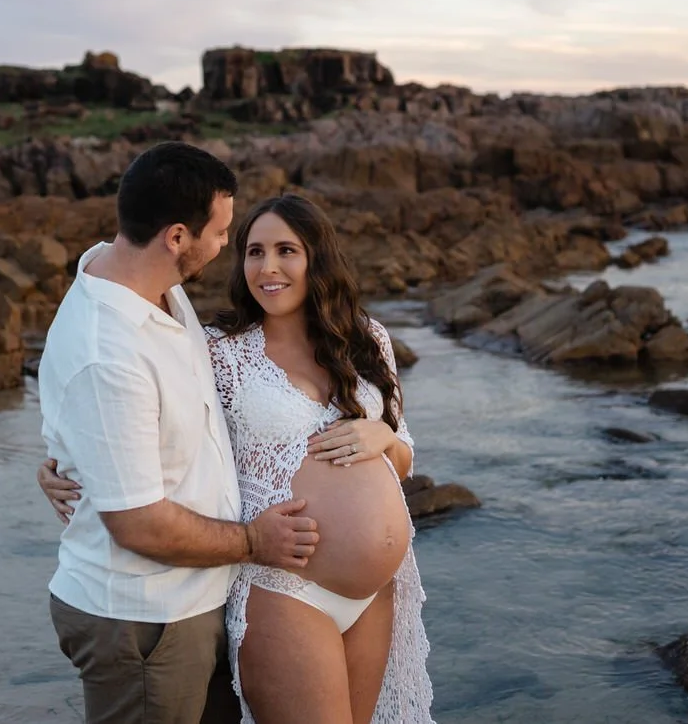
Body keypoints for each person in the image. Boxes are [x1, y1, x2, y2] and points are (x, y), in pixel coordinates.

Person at [44, 193, 434, 724]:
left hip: (376, 595)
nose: (267, 268)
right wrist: (60, 465)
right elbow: (134, 420)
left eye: (285, 251)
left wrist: (383, 440)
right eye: (253, 252)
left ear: (317, 258)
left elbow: (405, 457)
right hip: (287, 591)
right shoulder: (219, 352)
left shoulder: (367, 341)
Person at [38, 143, 321, 724]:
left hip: (196, 600)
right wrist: (254, 542)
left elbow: (97, 423)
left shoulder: (141, 279)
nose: (224, 246)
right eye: (219, 233)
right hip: (146, 617)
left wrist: (66, 455)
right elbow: (138, 523)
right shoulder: (109, 353)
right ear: (175, 236)